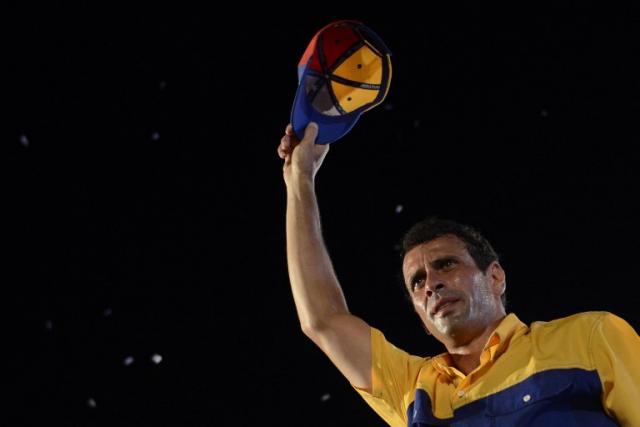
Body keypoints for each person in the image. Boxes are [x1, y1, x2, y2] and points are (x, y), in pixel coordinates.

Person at [277, 122, 640, 427]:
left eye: (446, 264)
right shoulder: (414, 390)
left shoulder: (590, 338)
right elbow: (323, 319)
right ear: (420, 318)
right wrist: (300, 180)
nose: (431, 283)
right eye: (416, 281)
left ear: (495, 277)